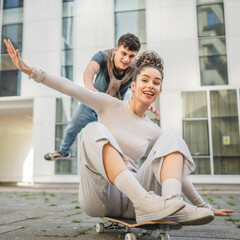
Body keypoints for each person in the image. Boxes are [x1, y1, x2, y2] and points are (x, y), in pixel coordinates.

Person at [4, 39, 233, 225]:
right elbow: (71, 87)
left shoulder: (153, 130)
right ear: (133, 85)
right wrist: (31, 71)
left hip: (135, 202)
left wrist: (203, 207)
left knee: (172, 139)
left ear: (160, 90)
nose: (150, 85)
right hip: (101, 196)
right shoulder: (109, 105)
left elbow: (177, 171)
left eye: (156, 82)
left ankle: (172, 205)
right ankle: (148, 202)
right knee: (94, 129)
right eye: (145, 80)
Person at [44, 33, 159, 161]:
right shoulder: (104, 56)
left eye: (131, 56)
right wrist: (89, 87)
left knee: (113, 138)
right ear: (116, 50)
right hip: (92, 104)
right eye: (123, 53)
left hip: (112, 109)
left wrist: (148, 101)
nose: (126, 59)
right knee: (72, 128)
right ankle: (63, 152)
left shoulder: (135, 69)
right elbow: (90, 69)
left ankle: (117, 163)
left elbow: (140, 86)